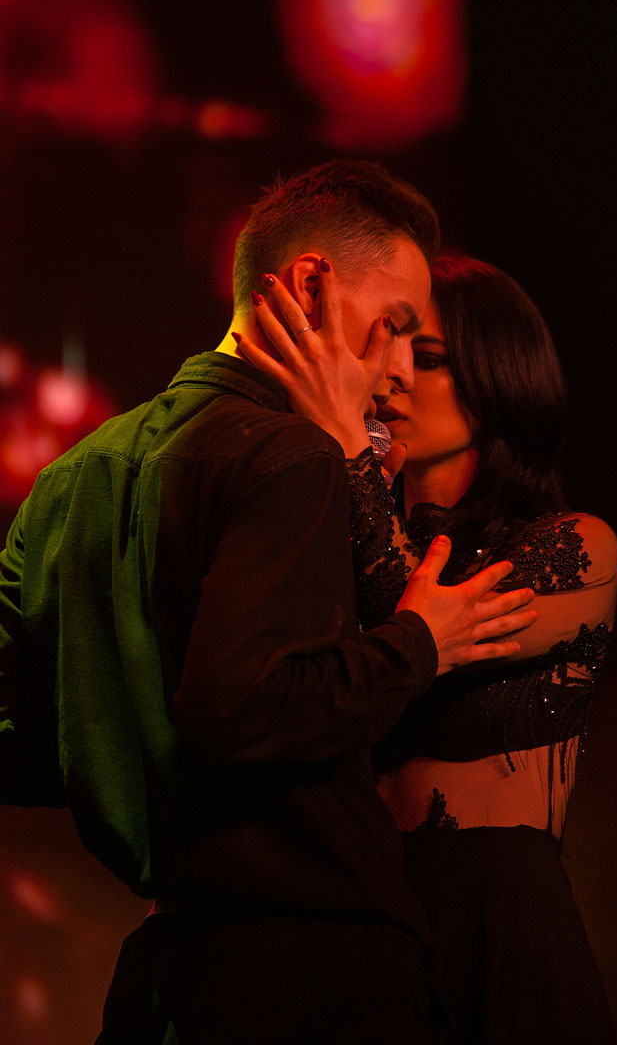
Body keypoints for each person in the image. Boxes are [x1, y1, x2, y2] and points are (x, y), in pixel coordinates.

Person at [0, 162, 538, 1045]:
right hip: (312, 972)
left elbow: (16, 741)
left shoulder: (69, 479)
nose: (398, 370)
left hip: (167, 973)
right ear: (310, 285)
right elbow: (241, 705)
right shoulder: (291, 455)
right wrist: (420, 641)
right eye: (394, 327)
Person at [237, 250, 617, 1043]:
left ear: (498, 370)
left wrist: (349, 454)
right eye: (384, 351)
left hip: (494, 918)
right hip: (353, 918)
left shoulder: (575, 547)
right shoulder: (339, 537)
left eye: (432, 356)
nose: (395, 378)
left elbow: (414, 621)